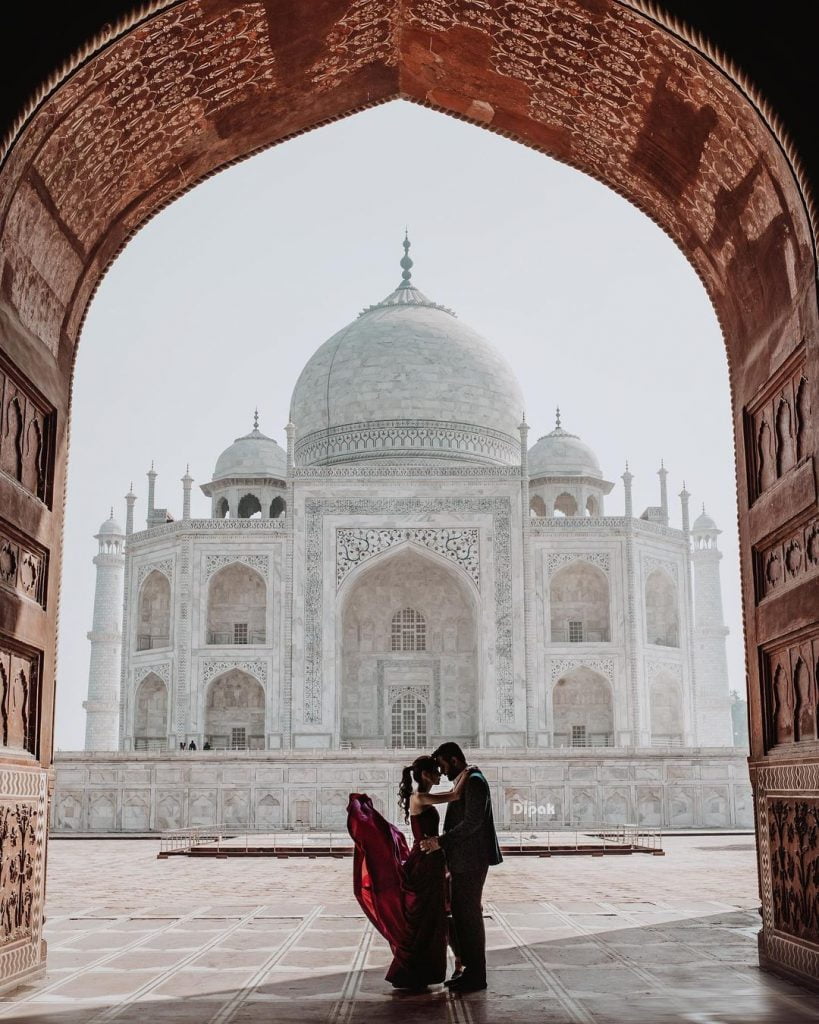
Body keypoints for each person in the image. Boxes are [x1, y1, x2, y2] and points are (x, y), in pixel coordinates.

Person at [347, 755, 472, 990]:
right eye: (436, 771)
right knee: (428, 916)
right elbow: (455, 795)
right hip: (425, 863)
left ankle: (435, 968)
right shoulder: (419, 797)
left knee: (433, 916)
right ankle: (419, 970)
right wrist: (466, 773)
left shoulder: (421, 797)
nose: (440, 775)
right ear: (425, 774)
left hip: (431, 860)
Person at [420, 742, 502, 993]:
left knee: (470, 917)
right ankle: (469, 970)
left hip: (472, 860)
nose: (442, 772)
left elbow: (472, 823)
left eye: (444, 765)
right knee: (462, 915)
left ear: (454, 760)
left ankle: (477, 975)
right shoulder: (466, 779)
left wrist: (440, 842)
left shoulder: (474, 780)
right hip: (463, 860)